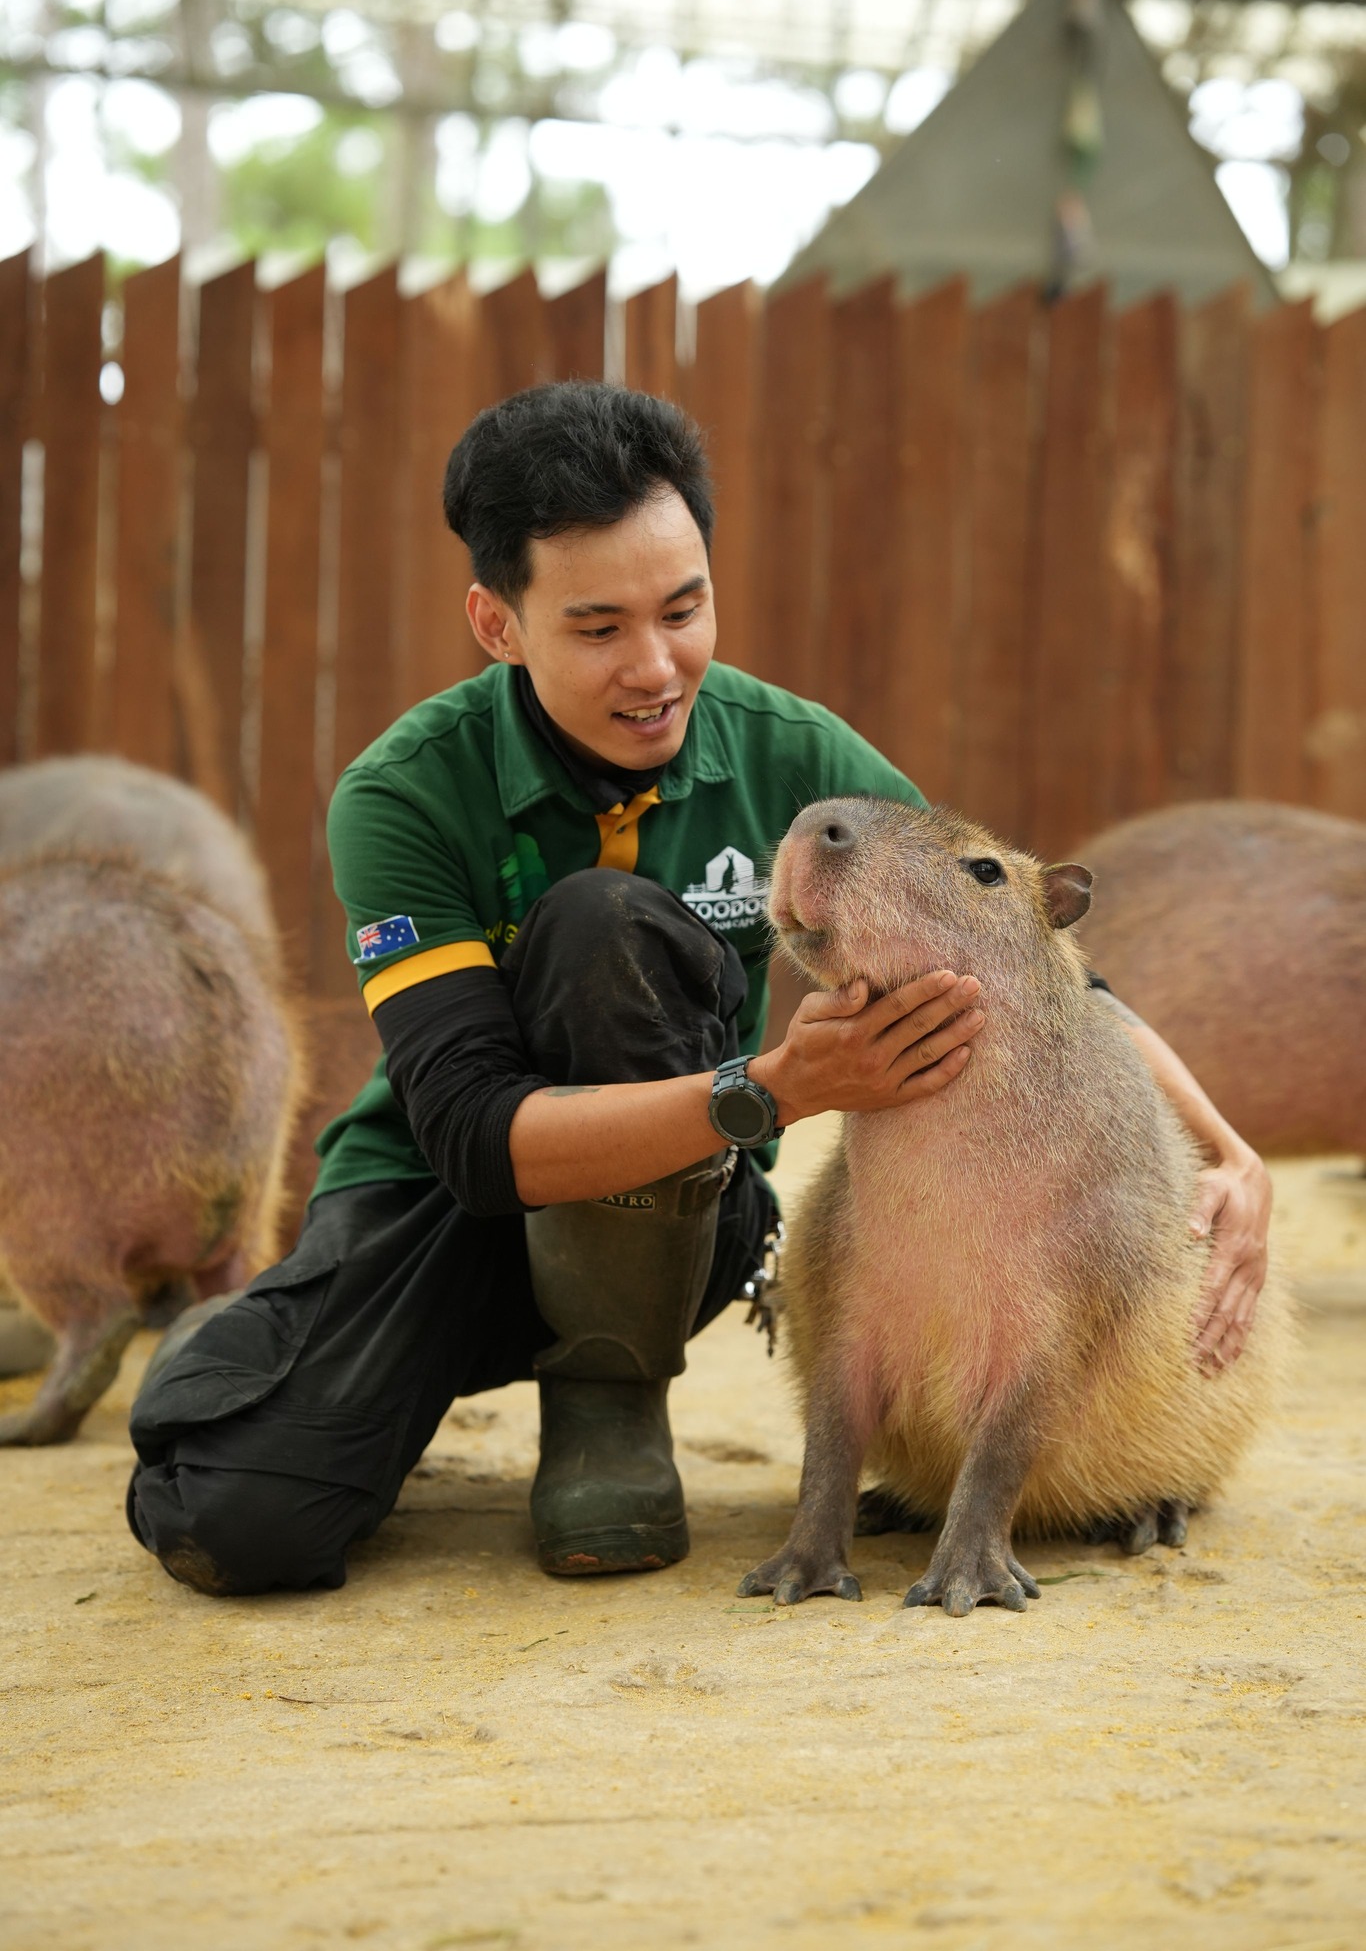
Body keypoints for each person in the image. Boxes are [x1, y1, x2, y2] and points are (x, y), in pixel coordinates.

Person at [125, 381, 1271, 1597]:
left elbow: (1022, 955)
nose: (657, 666)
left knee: (608, 927)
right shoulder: (404, 793)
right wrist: (771, 1089)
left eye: (685, 608)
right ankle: (252, 1337)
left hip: (673, 1222)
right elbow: (464, 1133)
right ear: (497, 622)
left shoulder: (796, 756)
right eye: (597, 627)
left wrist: (1227, 1150)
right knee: (239, 1522)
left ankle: (610, 1400)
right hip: (436, 1202)